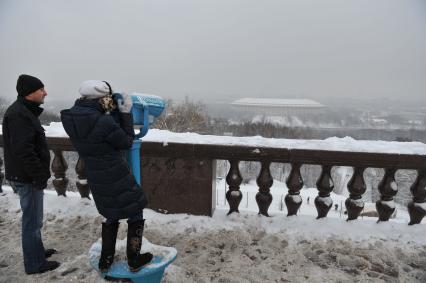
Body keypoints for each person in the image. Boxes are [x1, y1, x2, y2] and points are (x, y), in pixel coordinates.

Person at [60, 80, 152, 273]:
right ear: (101, 99)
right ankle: (134, 258)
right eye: (107, 99)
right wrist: (125, 114)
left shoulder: (71, 118)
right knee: (136, 209)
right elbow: (126, 141)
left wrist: (109, 112)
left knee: (110, 214)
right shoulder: (102, 121)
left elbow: (98, 133)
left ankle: (106, 260)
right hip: (115, 173)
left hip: (95, 175)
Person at [2, 74, 60, 274]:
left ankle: (37, 252)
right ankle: (35, 264)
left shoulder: (23, 111)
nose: (45, 92)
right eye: (41, 89)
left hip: (26, 175)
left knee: (34, 219)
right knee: (32, 221)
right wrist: (38, 176)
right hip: (27, 177)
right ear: (29, 93)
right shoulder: (19, 115)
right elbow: (24, 151)